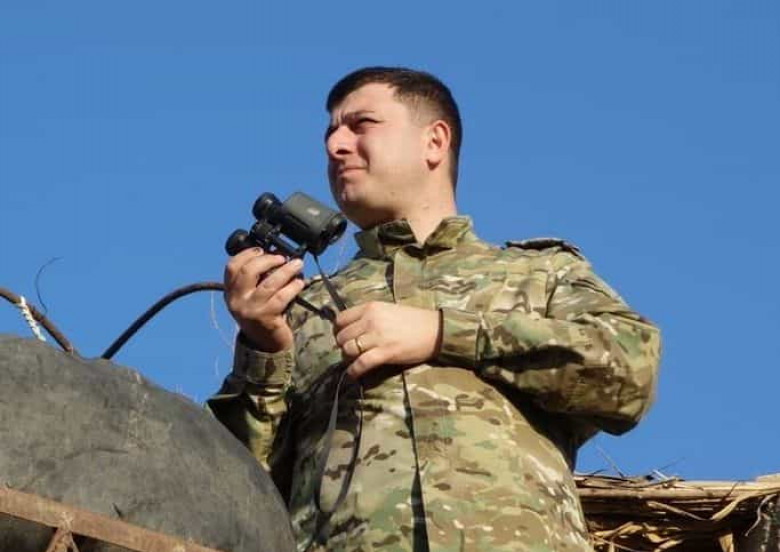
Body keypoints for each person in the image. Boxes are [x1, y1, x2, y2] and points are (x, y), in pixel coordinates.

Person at [208, 67, 661, 552]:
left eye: (361, 125)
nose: (336, 145)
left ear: (434, 142)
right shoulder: (301, 306)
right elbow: (235, 497)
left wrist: (442, 334)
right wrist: (263, 350)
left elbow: (630, 370)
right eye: (330, 134)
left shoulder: (539, 273)